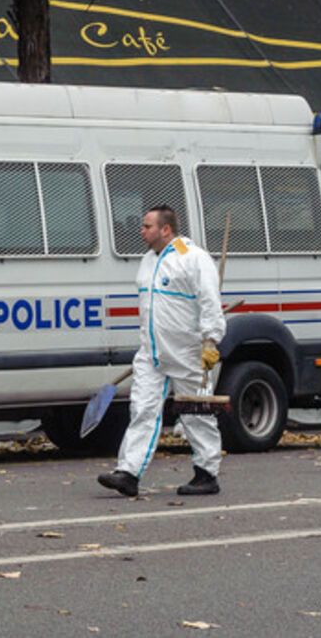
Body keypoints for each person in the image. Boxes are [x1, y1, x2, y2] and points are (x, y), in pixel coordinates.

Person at [98, 205, 226, 498]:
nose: (141, 230)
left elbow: (209, 300)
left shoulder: (193, 258)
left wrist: (210, 340)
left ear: (165, 229)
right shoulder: (147, 261)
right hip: (151, 353)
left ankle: (207, 473)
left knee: (196, 413)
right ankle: (128, 472)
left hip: (187, 351)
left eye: (147, 226)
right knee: (142, 409)